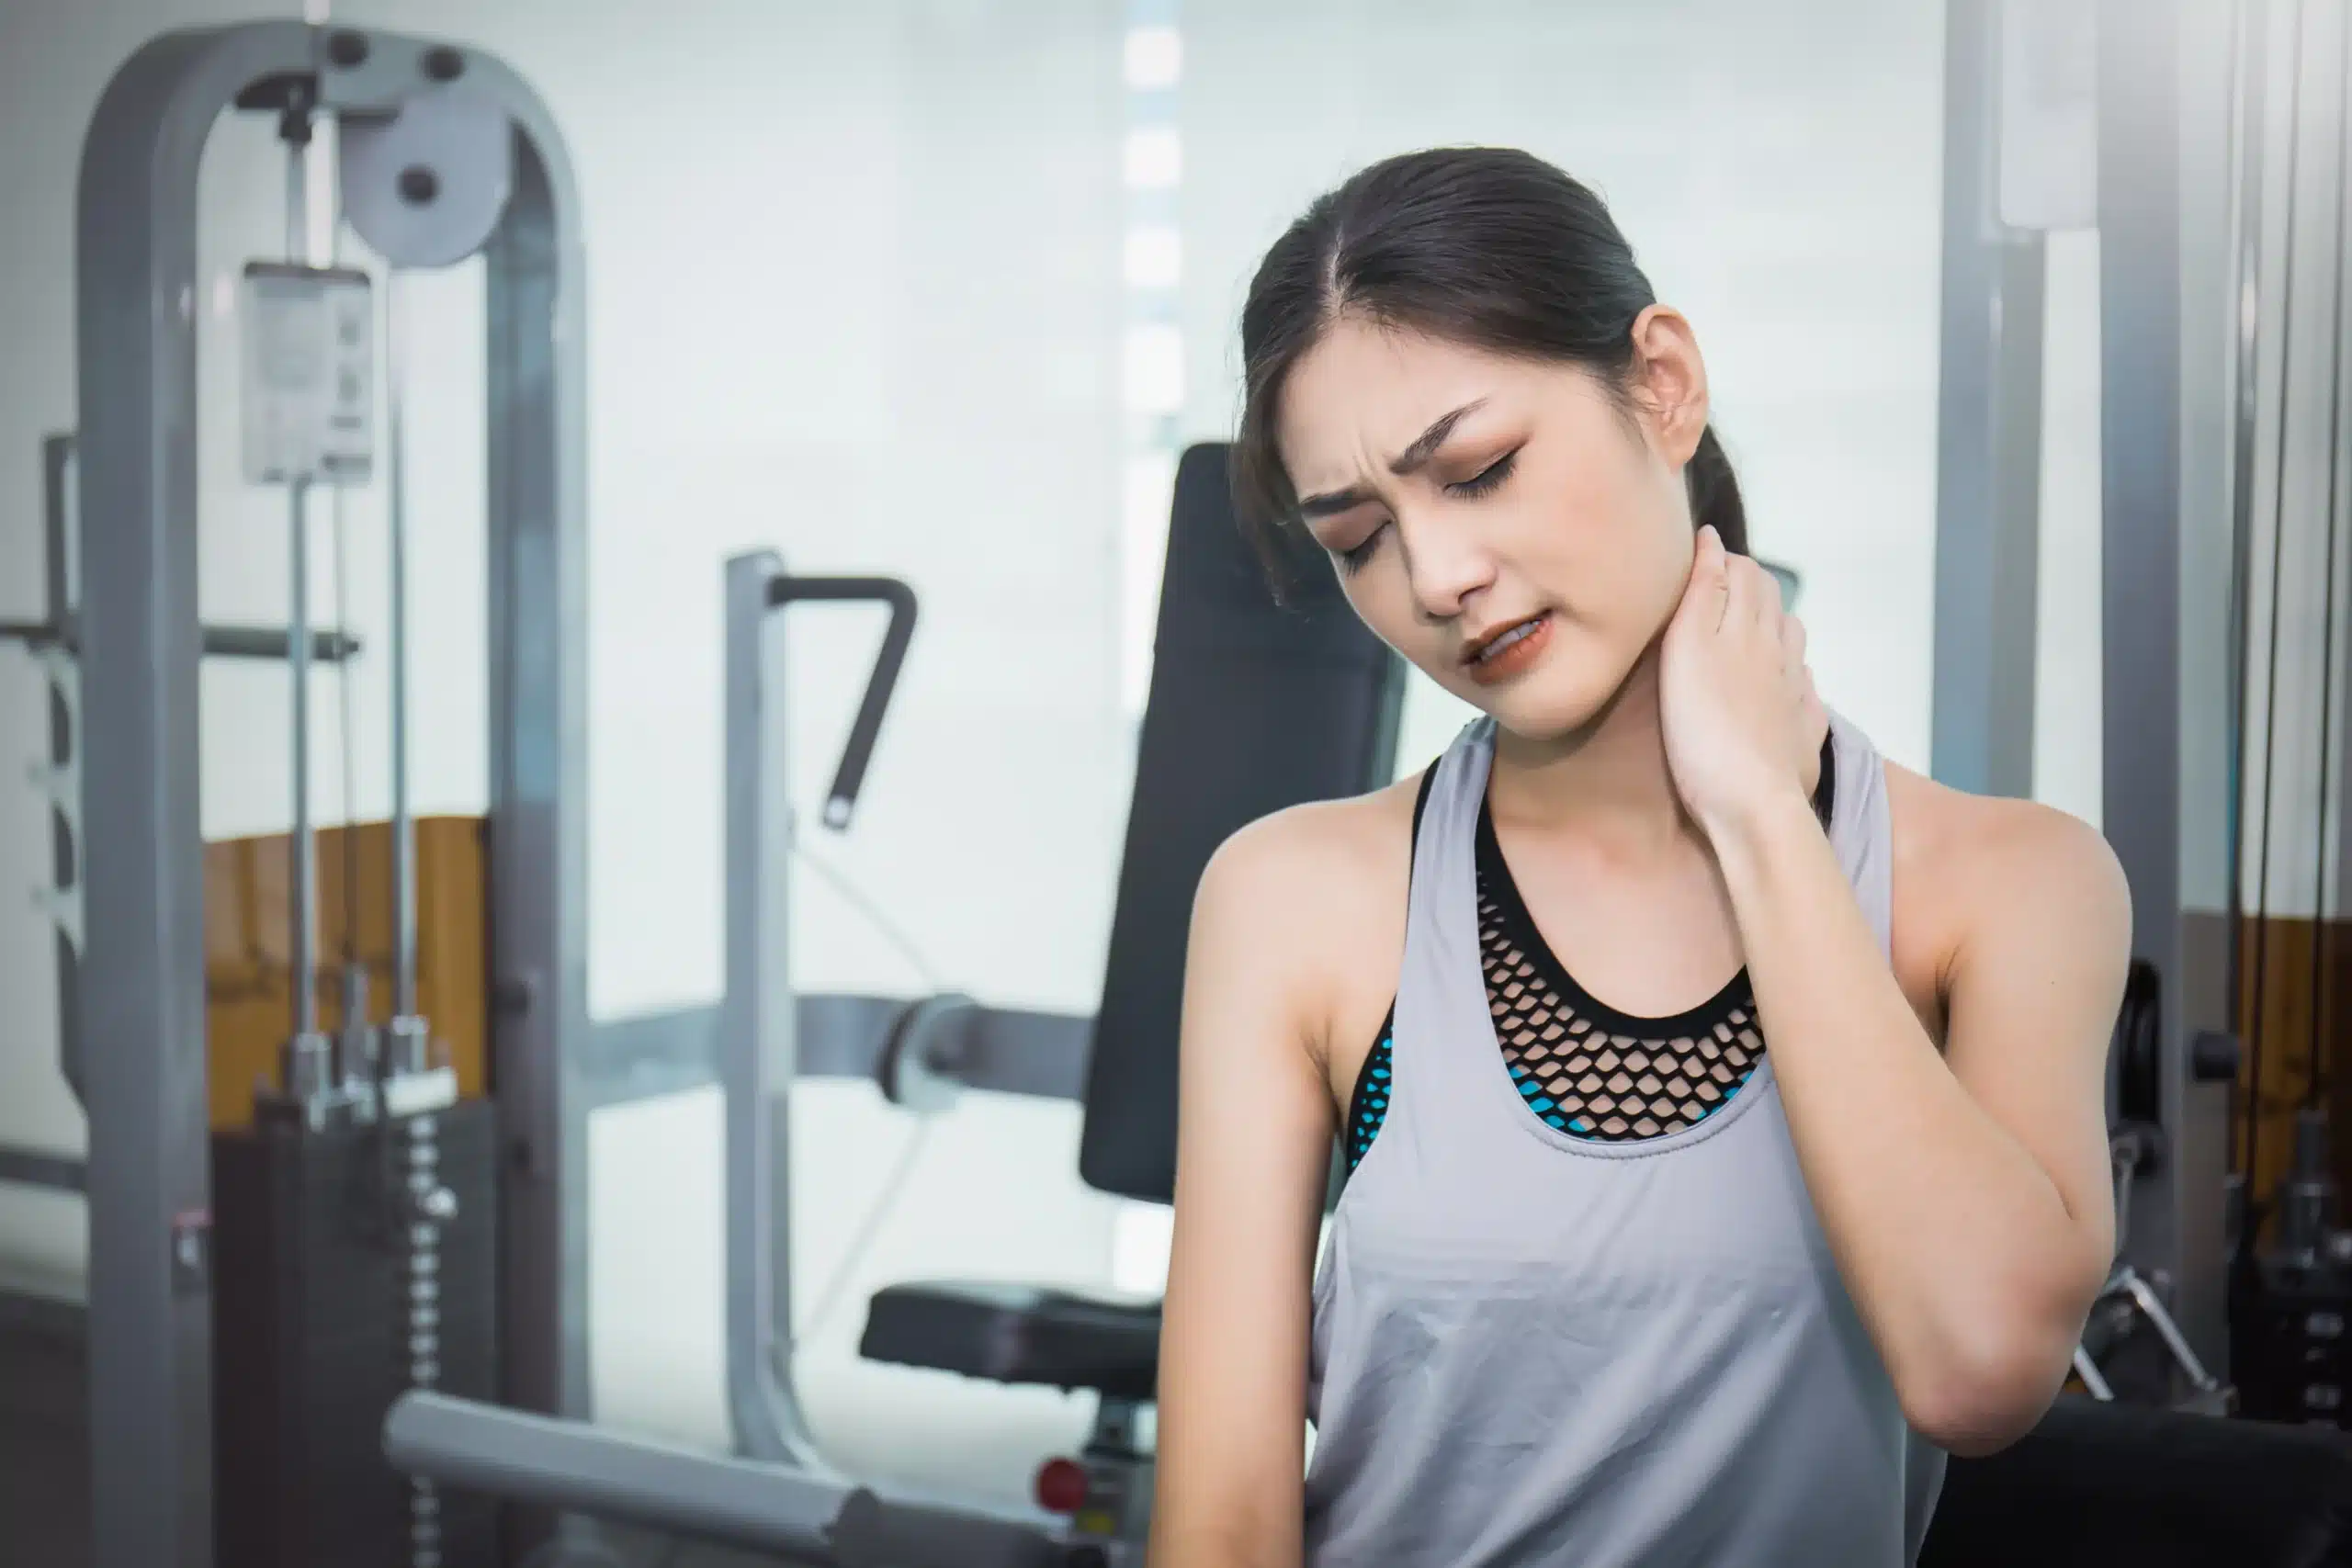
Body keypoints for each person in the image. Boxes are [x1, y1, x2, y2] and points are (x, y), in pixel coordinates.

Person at [1148, 147, 2128, 1568]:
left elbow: (1979, 1368)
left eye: (1480, 471)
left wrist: (1752, 812)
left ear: (1661, 384)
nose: (1435, 580)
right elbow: (1221, 1529)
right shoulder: (1296, 900)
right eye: (1362, 542)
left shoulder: (2010, 886)